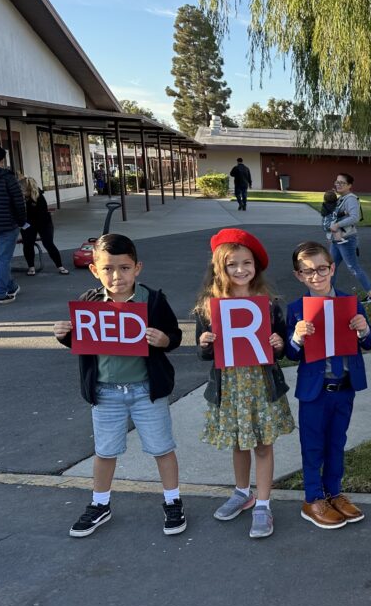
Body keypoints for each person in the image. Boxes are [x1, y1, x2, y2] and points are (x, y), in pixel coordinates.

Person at [53, 233, 186, 538]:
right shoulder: (88, 302)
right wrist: (65, 336)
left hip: (145, 390)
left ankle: (172, 500)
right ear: (95, 270)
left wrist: (164, 340)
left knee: (162, 447)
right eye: (108, 269)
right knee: (105, 451)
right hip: (105, 391)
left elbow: (174, 335)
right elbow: (84, 342)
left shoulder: (152, 300)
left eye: (124, 268)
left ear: (137, 268)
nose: (116, 276)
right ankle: (100, 503)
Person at [195, 228, 295, 539]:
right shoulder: (209, 306)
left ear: (256, 266)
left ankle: (263, 503)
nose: (240, 270)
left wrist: (278, 343)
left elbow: (282, 349)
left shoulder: (269, 303)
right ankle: (242, 492)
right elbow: (204, 354)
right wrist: (204, 342)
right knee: (239, 443)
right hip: (230, 386)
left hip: (260, 384)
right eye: (232, 265)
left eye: (246, 263)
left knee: (263, 445)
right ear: (219, 268)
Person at [285, 240, 371, 529]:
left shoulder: (351, 303)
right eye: (307, 271)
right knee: (312, 446)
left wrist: (364, 330)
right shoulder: (296, 309)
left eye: (321, 269)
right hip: (315, 391)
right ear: (299, 275)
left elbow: (370, 342)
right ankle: (313, 498)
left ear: (332, 268)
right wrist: (297, 336)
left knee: (337, 443)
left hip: (344, 387)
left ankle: (334, 493)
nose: (316, 276)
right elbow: (290, 353)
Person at [325, 173, 371, 304]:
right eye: (337, 182)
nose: (338, 184)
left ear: (349, 186)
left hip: (347, 240)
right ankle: (327, 294)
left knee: (353, 267)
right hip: (337, 240)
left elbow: (354, 217)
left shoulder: (351, 199)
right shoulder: (341, 198)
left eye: (342, 183)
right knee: (331, 267)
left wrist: (337, 225)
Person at [0, 144, 26, 305]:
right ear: (2, 160)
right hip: (6, 225)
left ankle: (11, 286)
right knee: (2, 259)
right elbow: (18, 201)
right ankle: (1, 293)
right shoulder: (8, 178)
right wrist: (22, 221)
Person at [19, 175, 69, 276]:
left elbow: (41, 214)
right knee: (28, 244)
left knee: (48, 243)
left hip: (43, 223)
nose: (19, 189)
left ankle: (60, 266)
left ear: (26, 188)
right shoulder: (21, 197)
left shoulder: (39, 197)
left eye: (21, 188)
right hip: (29, 223)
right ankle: (31, 267)